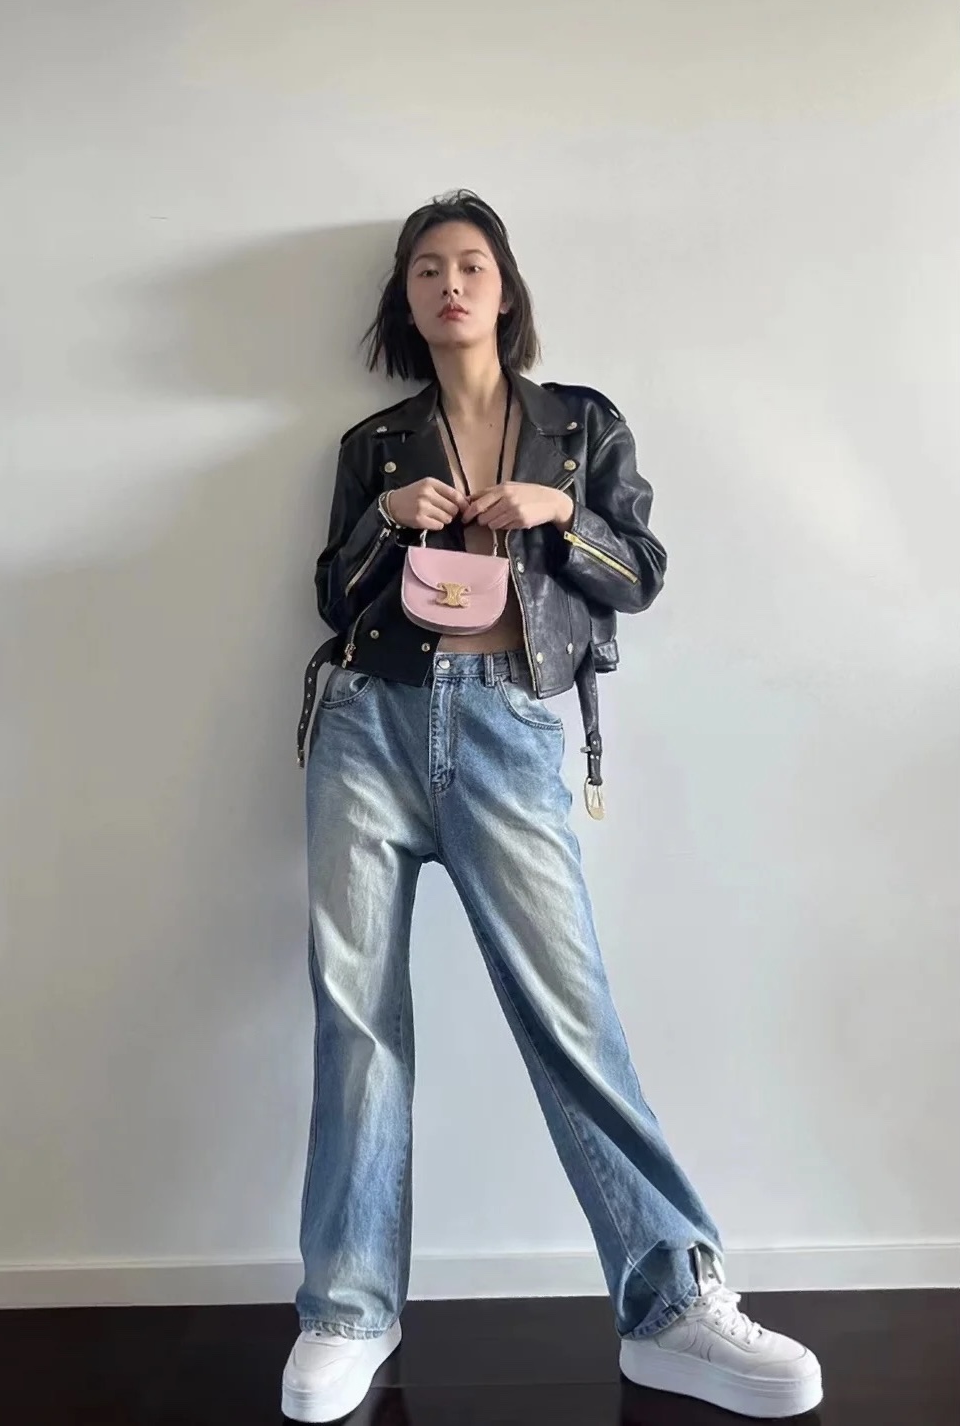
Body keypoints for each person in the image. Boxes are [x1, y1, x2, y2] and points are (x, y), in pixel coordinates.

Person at [283, 191, 822, 1423]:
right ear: (406, 298)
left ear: (506, 289)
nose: (450, 284)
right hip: (368, 725)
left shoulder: (580, 426)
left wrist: (561, 511)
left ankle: (670, 1301)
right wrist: (385, 522)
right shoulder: (377, 442)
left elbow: (642, 573)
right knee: (356, 1022)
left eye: (471, 264)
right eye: (428, 268)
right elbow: (331, 594)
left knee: (571, 1015)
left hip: (508, 726)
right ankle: (348, 1309)